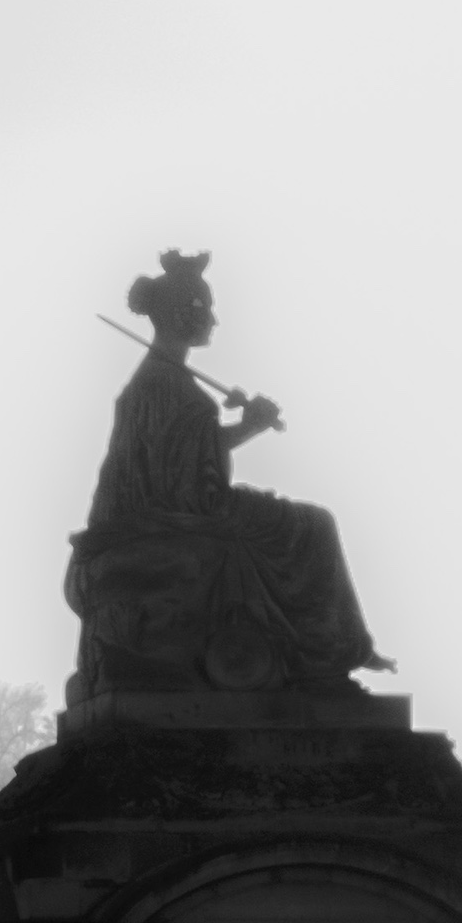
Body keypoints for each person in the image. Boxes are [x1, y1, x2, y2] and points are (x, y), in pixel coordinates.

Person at [67, 251, 394, 696]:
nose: (215, 320)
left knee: (300, 519)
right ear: (186, 313)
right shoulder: (176, 391)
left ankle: (334, 649)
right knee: (314, 526)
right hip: (180, 516)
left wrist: (249, 427)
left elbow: (187, 459)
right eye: (207, 306)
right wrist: (248, 433)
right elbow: (200, 494)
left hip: (161, 512)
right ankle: (327, 652)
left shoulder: (157, 385)